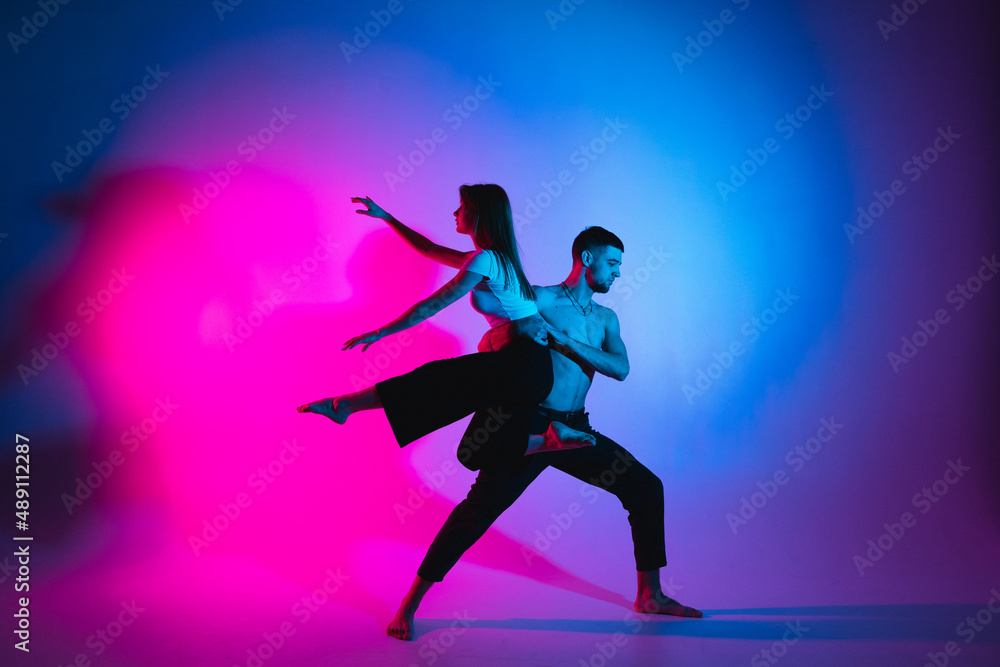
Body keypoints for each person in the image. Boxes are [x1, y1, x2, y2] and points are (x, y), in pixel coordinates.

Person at [386, 227, 702, 641]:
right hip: (528, 424)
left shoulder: (607, 318)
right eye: (612, 264)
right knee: (476, 513)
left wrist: (563, 342)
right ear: (586, 259)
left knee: (645, 488)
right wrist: (499, 339)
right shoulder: (540, 298)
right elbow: (481, 283)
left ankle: (650, 595)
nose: (618, 274)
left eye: (620, 266)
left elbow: (620, 369)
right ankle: (410, 604)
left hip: (573, 428)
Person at [297, 184, 594, 453]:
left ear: (479, 214)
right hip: (532, 371)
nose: (455, 212)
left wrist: (379, 333)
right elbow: (429, 249)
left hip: (522, 365)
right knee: (474, 450)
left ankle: (345, 404)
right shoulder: (497, 260)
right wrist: (387, 217)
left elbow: (430, 307)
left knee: (435, 379)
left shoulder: (486, 260)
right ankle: (550, 439)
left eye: (462, 207)